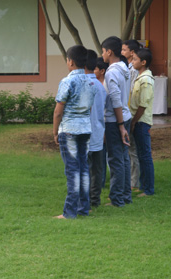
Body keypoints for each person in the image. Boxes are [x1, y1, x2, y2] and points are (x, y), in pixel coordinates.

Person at [53, 45, 97, 219]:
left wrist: (55, 132)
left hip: (69, 129)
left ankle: (69, 212)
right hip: (85, 128)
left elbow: (58, 111)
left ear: (70, 62)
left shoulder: (67, 81)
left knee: (72, 170)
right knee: (83, 168)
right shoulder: (92, 82)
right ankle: (83, 208)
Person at [101, 36, 132, 207]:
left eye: (103, 51)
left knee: (115, 160)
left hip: (116, 121)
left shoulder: (112, 72)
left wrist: (120, 126)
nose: (102, 55)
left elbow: (115, 100)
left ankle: (117, 199)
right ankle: (125, 196)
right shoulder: (124, 68)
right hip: (124, 117)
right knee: (123, 158)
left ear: (109, 52)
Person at [130, 48, 155, 197]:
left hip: (141, 122)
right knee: (140, 154)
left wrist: (134, 121)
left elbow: (143, 104)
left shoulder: (146, 80)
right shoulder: (140, 77)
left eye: (135, 59)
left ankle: (148, 189)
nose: (132, 62)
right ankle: (143, 185)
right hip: (138, 121)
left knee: (145, 155)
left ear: (143, 62)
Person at [85, 50, 107, 208]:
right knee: (97, 169)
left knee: (84, 167)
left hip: (84, 132)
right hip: (99, 131)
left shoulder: (80, 84)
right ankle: (95, 199)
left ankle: (85, 199)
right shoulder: (100, 86)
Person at [122, 39, 141, 192]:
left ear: (132, 52)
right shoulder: (127, 67)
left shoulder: (133, 71)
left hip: (130, 111)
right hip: (128, 111)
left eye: (124, 50)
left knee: (132, 148)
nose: (122, 52)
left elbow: (132, 92)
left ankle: (134, 181)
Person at [94, 57, 109, 189]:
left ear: (102, 71)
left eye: (95, 69)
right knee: (101, 153)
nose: (93, 71)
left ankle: (101, 180)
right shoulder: (96, 84)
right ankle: (101, 181)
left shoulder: (104, 86)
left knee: (104, 153)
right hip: (100, 123)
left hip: (105, 122)